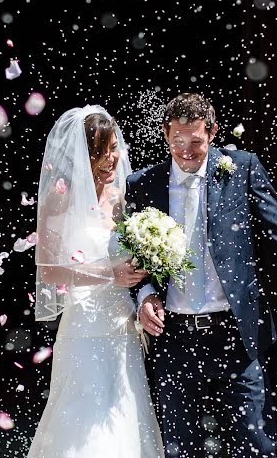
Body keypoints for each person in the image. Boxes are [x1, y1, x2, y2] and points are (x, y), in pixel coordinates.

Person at [126, 93, 277, 458]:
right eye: (178, 141)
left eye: (196, 142)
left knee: (256, 444)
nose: (186, 151)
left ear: (213, 133)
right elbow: (130, 258)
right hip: (174, 338)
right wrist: (144, 296)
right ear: (165, 135)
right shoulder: (144, 184)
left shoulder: (241, 168)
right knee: (181, 449)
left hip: (235, 334)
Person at [27, 105, 164, 458]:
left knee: (126, 417)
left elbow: (133, 256)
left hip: (122, 329)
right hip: (84, 328)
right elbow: (48, 270)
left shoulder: (121, 200)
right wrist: (109, 274)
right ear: (81, 154)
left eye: (114, 148)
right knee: (82, 423)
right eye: (100, 153)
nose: (111, 160)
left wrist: (147, 267)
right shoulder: (59, 200)